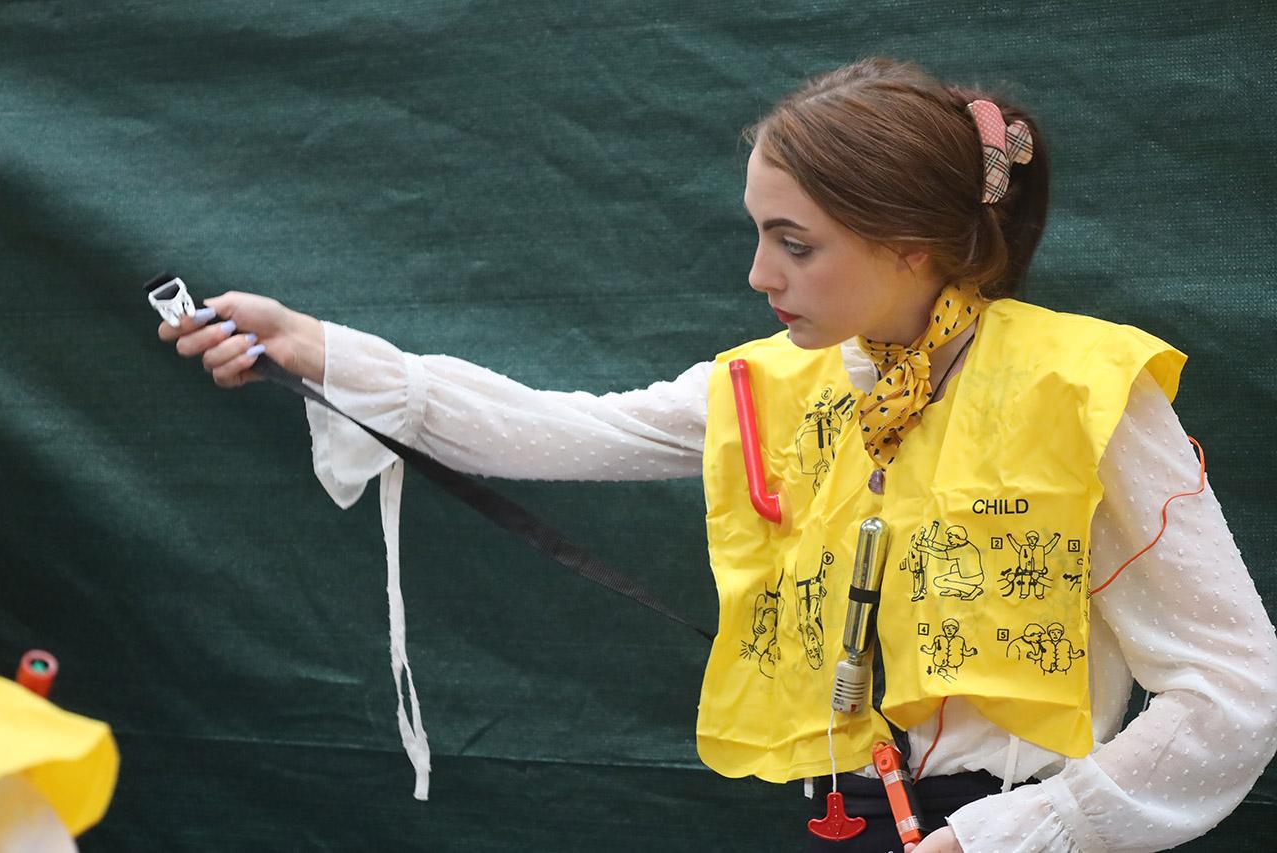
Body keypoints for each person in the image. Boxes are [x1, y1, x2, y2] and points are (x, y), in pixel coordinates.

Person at [159, 56, 1277, 852]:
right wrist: (324, 353)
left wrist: (1024, 834)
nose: (757, 275)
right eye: (756, 233)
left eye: (793, 244)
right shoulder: (771, 384)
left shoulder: (1080, 392)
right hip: (829, 814)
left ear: (913, 247)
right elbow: (561, 427)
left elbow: (1233, 688)